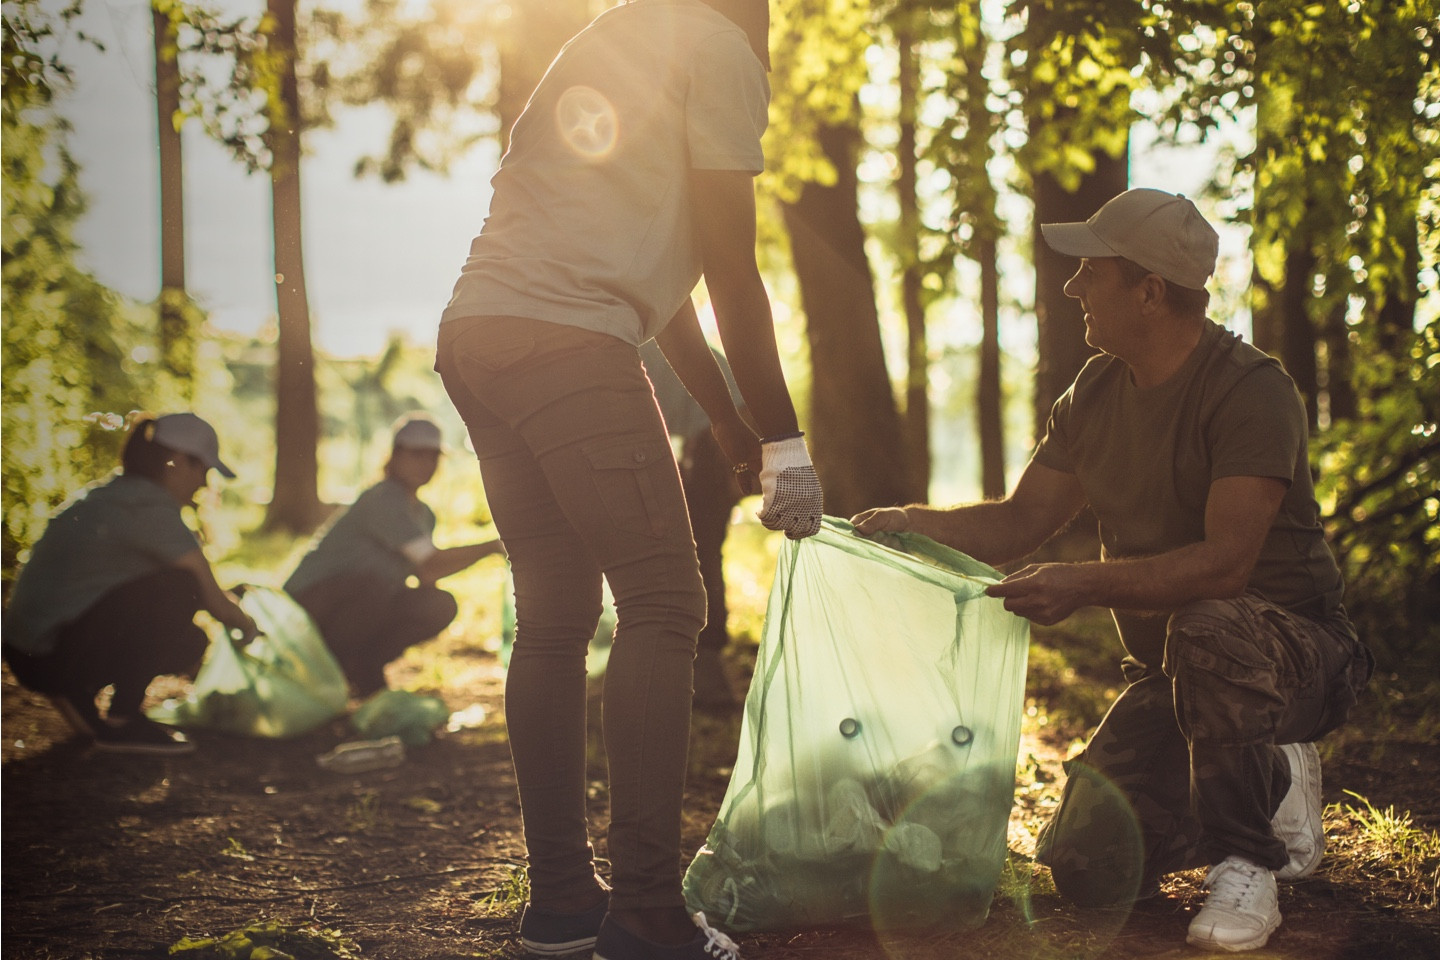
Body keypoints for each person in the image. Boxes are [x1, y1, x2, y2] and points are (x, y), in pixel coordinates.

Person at [853, 188, 1372, 953]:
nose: (1072, 288)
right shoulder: (1092, 394)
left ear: (1150, 292)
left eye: (1090, 272)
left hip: (1296, 656)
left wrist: (1082, 584)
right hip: (1173, 675)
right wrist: (909, 526)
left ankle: (1248, 860)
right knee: (1091, 868)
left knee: (1207, 624)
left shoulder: (1252, 391)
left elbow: (1226, 567)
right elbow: (1020, 522)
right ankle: (1271, 781)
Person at [433, 0, 823, 956]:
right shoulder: (719, 47)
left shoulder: (612, 34)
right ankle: (647, 911)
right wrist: (785, 440)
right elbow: (732, 268)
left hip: (478, 333)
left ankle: (564, 907)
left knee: (557, 618)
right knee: (665, 602)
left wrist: (726, 420)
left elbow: (666, 286)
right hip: (569, 343)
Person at [2, 413, 258, 755]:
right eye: (203, 470)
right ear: (177, 462)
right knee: (182, 586)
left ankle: (77, 695)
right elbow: (208, 594)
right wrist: (251, 628)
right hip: (49, 654)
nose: (204, 483)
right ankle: (120, 720)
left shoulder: (119, 495)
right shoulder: (148, 507)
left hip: (31, 649)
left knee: (189, 641)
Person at [284, 412, 505, 698]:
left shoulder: (423, 514)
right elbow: (431, 563)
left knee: (437, 604)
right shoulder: (383, 498)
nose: (426, 464)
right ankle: (334, 669)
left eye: (433, 456)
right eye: (417, 454)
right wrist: (493, 546)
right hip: (311, 604)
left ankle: (365, 668)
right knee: (373, 587)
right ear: (396, 455)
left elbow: (426, 573)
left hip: (360, 601)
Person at [639, 340, 748, 712]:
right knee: (702, 554)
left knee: (700, 553)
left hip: (709, 455)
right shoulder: (663, 337)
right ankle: (697, 657)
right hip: (704, 453)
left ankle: (703, 658)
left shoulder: (635, 337)